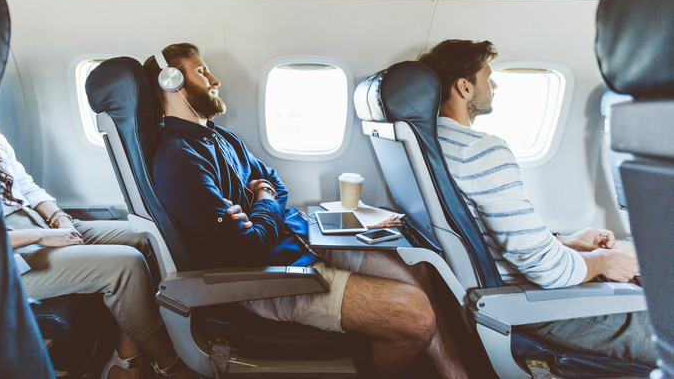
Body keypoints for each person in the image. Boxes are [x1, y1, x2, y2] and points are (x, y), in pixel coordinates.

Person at [143, 43, 470, 378]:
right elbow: (250, 248)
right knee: (416, 315)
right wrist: (265, 201)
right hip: (266, 278)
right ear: (171, 82)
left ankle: (455, 372)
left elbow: (274, 182)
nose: (215, 79)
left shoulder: (220, 138)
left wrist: (260, 203)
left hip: (299, 241)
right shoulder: (180, 162)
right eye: (201, 71)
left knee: (417, 270)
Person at [418, 39, 656, 366]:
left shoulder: (431, 144)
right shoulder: (481, 150)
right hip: (539, 304)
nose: (494, 84)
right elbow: (544, 269)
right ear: (464, 87)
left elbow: (490, 238)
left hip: (514, 286)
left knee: (640, 254)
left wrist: (566, 242)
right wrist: (602, 262)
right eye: (487, 77)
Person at [0, 129, 197, 379]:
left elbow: (26, 188)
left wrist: (61, 221)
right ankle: (169, 364)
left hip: (37, 223)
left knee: (147, 238)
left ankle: (126, 357)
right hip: (4, 254)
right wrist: (40, 236)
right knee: (126, 264)